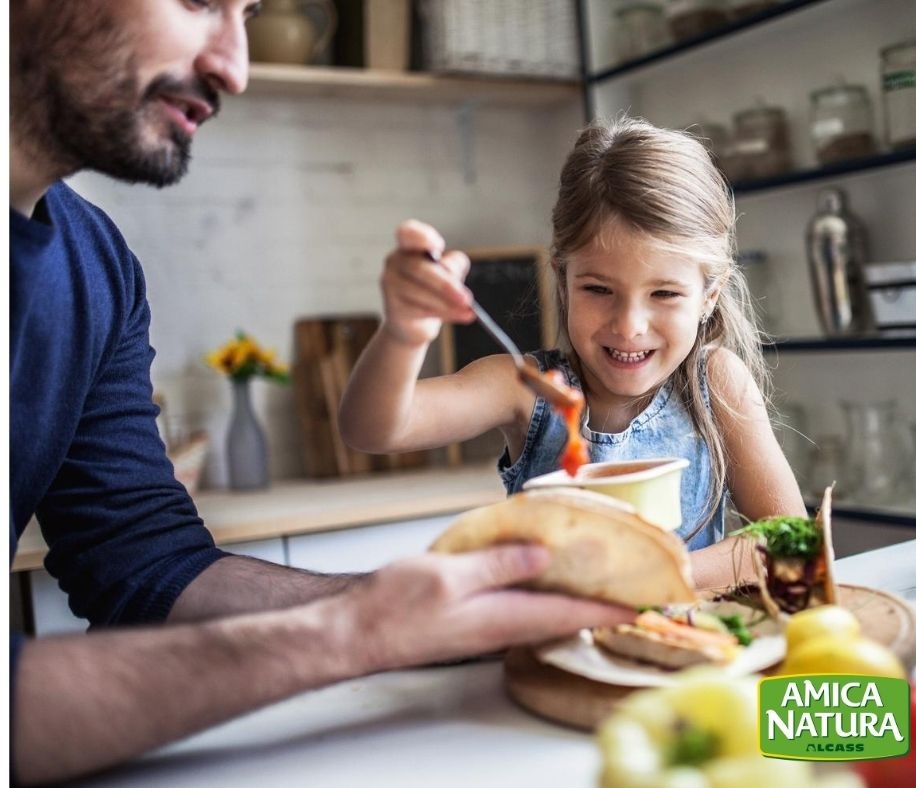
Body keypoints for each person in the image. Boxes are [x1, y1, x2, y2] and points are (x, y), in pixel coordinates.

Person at [9, 2, 634, 783]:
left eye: (251, 13)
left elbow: (145, 562)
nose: (233, 68)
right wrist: (350, 635)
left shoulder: (97, 267)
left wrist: (397, 607)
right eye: (202, 2)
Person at [339, 116, 807, 574]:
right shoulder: (525, 389)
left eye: (664, 294)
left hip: (691, 646)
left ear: (709, 295)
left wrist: (659, 577)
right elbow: (374, 430)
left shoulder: (716, 381)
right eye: (599, 290)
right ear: (562, 278)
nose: (629, 327)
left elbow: (791, 541)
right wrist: (405, 333)